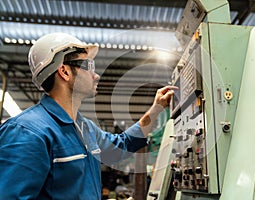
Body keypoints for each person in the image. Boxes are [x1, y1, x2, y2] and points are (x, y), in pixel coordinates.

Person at [0, 32, 177, 199]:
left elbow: (120, 147)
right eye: (88, 66)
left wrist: (156, 109)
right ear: (64, 71)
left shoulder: (83, 127)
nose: (96, 75)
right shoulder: (27, 131)